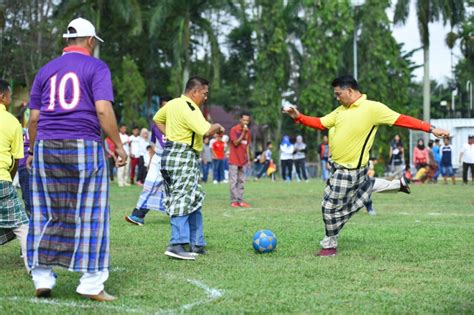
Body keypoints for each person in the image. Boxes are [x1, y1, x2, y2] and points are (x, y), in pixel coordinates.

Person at [283, 75, 449, 256]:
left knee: (329, 208)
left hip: (350, 170)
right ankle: (397, 184)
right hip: (337, 168)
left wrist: (431, 129)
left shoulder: (373, 108)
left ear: (350, 91)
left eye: (338, 94)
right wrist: (298, 117)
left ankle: (329, 246)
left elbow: (403, 119)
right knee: (361, 187)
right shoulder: (340, 111)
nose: (337, 98)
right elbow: (320, 123)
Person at [26, 18, 127, 301]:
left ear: (67, 40)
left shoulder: (45, 70)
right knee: (91, 213)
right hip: (84, 143)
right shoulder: (96, 67)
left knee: (46, 212)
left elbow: (34, 118)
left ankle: (42, 277)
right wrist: (118, 145)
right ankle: (92, 284)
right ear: (91, 41)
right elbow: (103, 111)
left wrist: (33, 150)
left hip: (46, 144)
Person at [154, 76, 224, 260]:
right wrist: (217, 126)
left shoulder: (172, 104)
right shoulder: (189, 107)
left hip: (171, 153)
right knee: (182, 198)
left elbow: (157, 119)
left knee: (193, 198)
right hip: (183, 156)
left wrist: (170, 135)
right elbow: (206, 130)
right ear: (194, 91)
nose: (205, 97)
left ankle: (196, 243)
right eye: (204, 93)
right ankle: (176, 243)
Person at [125, 97, 170, 226]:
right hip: (158, 159)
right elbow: (155, 143)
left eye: (169, 107)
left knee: (171, 189)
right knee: (149, 186)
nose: (166, 110)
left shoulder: (176, 123)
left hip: (172, 159)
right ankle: (138, 215)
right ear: (160, 108)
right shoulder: (156, 125)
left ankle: (181, 216)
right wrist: (151, 160)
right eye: (164, 106)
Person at [0, 80, 30, 272]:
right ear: (3, 97)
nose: (11, 99)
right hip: (2, 178)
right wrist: (8, 179)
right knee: (22, 225)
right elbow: (17, 159)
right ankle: (34, 268)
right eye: (10, 95)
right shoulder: (12, 122)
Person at [229, 112, 251, 208]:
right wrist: (243, 133)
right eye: (244, 120)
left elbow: (247, 146)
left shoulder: (248, 132)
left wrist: (249, 158)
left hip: (243, 160)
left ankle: (240, 200)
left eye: (247, 120)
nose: (246, 122)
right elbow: (236, 143)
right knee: (234, 181)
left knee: (241, 181)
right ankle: (234, 201)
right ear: (240, 120)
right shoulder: (234, 130)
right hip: (234, 160)